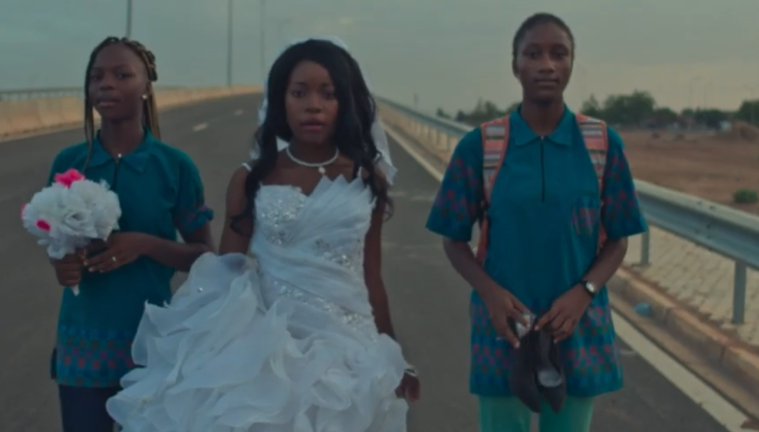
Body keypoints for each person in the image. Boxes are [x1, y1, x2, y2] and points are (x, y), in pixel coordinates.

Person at [105, 37, 420, 431]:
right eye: (299, 93)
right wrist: (201, 356)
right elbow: (226, 271)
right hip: (270, 354)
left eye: (328, 94)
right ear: (280, 100)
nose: (313, 106)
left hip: (349, 351)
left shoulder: (367, 179)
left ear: (346, 102)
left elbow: (372, 276)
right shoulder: (252, 179)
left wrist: (394, 355)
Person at [425, 13, 648, 432]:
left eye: (558, 54)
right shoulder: (481, 146)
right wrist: (490, 293)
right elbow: (452, 239)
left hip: (575, 327)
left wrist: (585, 292)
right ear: (515, 65)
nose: (546, 65)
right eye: (533, 54)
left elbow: (618, 239)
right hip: (504, 328)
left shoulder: (602, 144)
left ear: (571, 64)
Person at [46, 36, 214, 432]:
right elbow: (55, 244)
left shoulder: (174, 167)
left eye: (122, 75)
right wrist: (61, 264)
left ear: (146, 87)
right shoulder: (69, 164)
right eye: (97, 77)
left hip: (152, 346)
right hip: (82, 348)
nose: (106, 84)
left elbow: (205, 254)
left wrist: (144, 244)